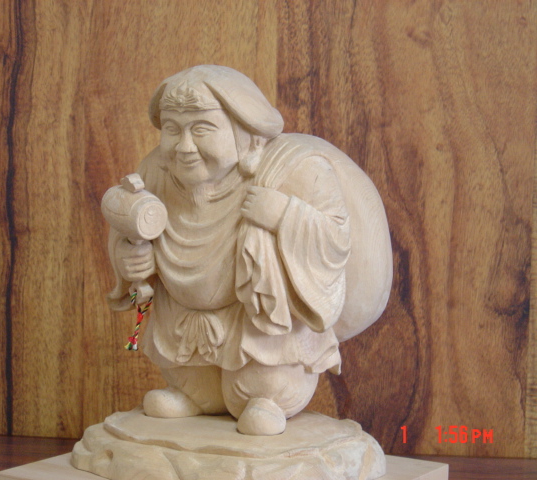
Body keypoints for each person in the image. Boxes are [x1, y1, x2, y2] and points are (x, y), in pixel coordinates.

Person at [106, 65, 387, 436]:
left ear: (245, 132)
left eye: (201, 129)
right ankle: (194, 396)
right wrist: (132, 260)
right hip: (185, 316)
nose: (184, 146)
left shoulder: (291, 168)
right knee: (194, 381)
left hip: (258, 321)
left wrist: (284, 215)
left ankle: (267, 400)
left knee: (259, 384)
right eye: (172, 129)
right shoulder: (156, 172)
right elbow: (132, 230)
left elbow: (335, 237)